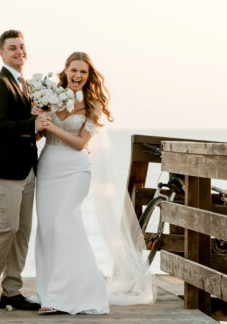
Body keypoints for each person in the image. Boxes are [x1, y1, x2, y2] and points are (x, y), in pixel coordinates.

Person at [33, 52, 153, 315]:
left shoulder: (94, 104)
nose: (78, 76)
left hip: (76, 169)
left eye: (83, 72)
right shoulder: (47, 96)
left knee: (66, 223)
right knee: (48, 228)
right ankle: (48, 290)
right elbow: (39, 134)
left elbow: (80, 144)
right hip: (48, 166)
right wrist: (37, 120)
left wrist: (51, 128)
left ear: (89, 76)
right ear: (65, 71)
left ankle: (71, 293)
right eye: (74, 70)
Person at [0, 30, 43, 312]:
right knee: (8, 228)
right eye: (13, 48)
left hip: (27, 170)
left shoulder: (26, 85)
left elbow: (27, 130)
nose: (19, 52)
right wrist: (32, 125)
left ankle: (12, 291)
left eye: (22, 47)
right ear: (1, 53)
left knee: (23, 231)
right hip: (3, 171)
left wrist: (40, 125)